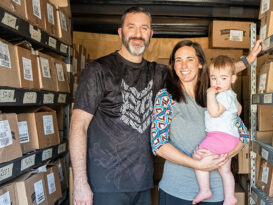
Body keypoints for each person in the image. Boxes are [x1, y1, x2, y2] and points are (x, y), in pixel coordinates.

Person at [69, 7, 168, 205]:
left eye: (144, 28)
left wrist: (242, 65)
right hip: (106, 184)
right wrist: (80, 182)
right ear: (121, 32)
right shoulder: (99, 70)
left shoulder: (158, 73)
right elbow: (78, 126)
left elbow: (195, 78)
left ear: (151, 34)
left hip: (143, 182)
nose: (138, 34)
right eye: (131, 27)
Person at [151, 40, 262, 205]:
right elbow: (158, 143)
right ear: (173, 66)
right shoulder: (166, 97)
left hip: (216, 193)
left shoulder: (216, 95)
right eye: (178, 60)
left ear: (201, 64)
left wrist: (222, 156)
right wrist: (198, 164)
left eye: (190, 59)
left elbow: (243, 135)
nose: (184, 65)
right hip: (177, 190)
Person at [193, 55, 241, 205]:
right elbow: (238, 110)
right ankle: (230, 197)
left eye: (223, 78)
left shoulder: (224, 96)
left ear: (233, 79)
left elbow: (214, 112)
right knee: (224, 171)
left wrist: (210, 94)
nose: (217, 83)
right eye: (214, 78)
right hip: (230, 138)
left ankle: (205, 189)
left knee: (198, 157)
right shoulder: (231, 96)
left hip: (220, 137)